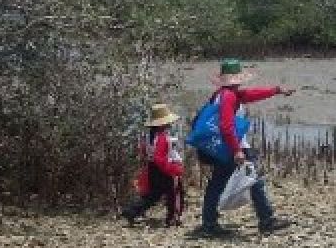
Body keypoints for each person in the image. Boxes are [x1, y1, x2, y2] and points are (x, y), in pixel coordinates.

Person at [195, 58, 294, 238]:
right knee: (245, 180)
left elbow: (252, 94)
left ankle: (210, 222)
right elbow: (226, 126)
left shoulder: (227, 93)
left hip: (226, 146)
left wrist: (277, 90)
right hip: (232, 147)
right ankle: (265, 220)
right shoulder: (229, 96)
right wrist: (237, 150)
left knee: (238, 181)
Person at [121, 103, 185, 227]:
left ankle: (132, 211)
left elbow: (143, 152)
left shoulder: (147, 136)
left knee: (153, 195)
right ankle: (173, 218)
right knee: (175, 193)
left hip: (153, 169)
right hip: (165, 170)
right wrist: (173, 169)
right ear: (163, 123)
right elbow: (160, 158)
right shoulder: (162, 138)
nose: (170, 124)